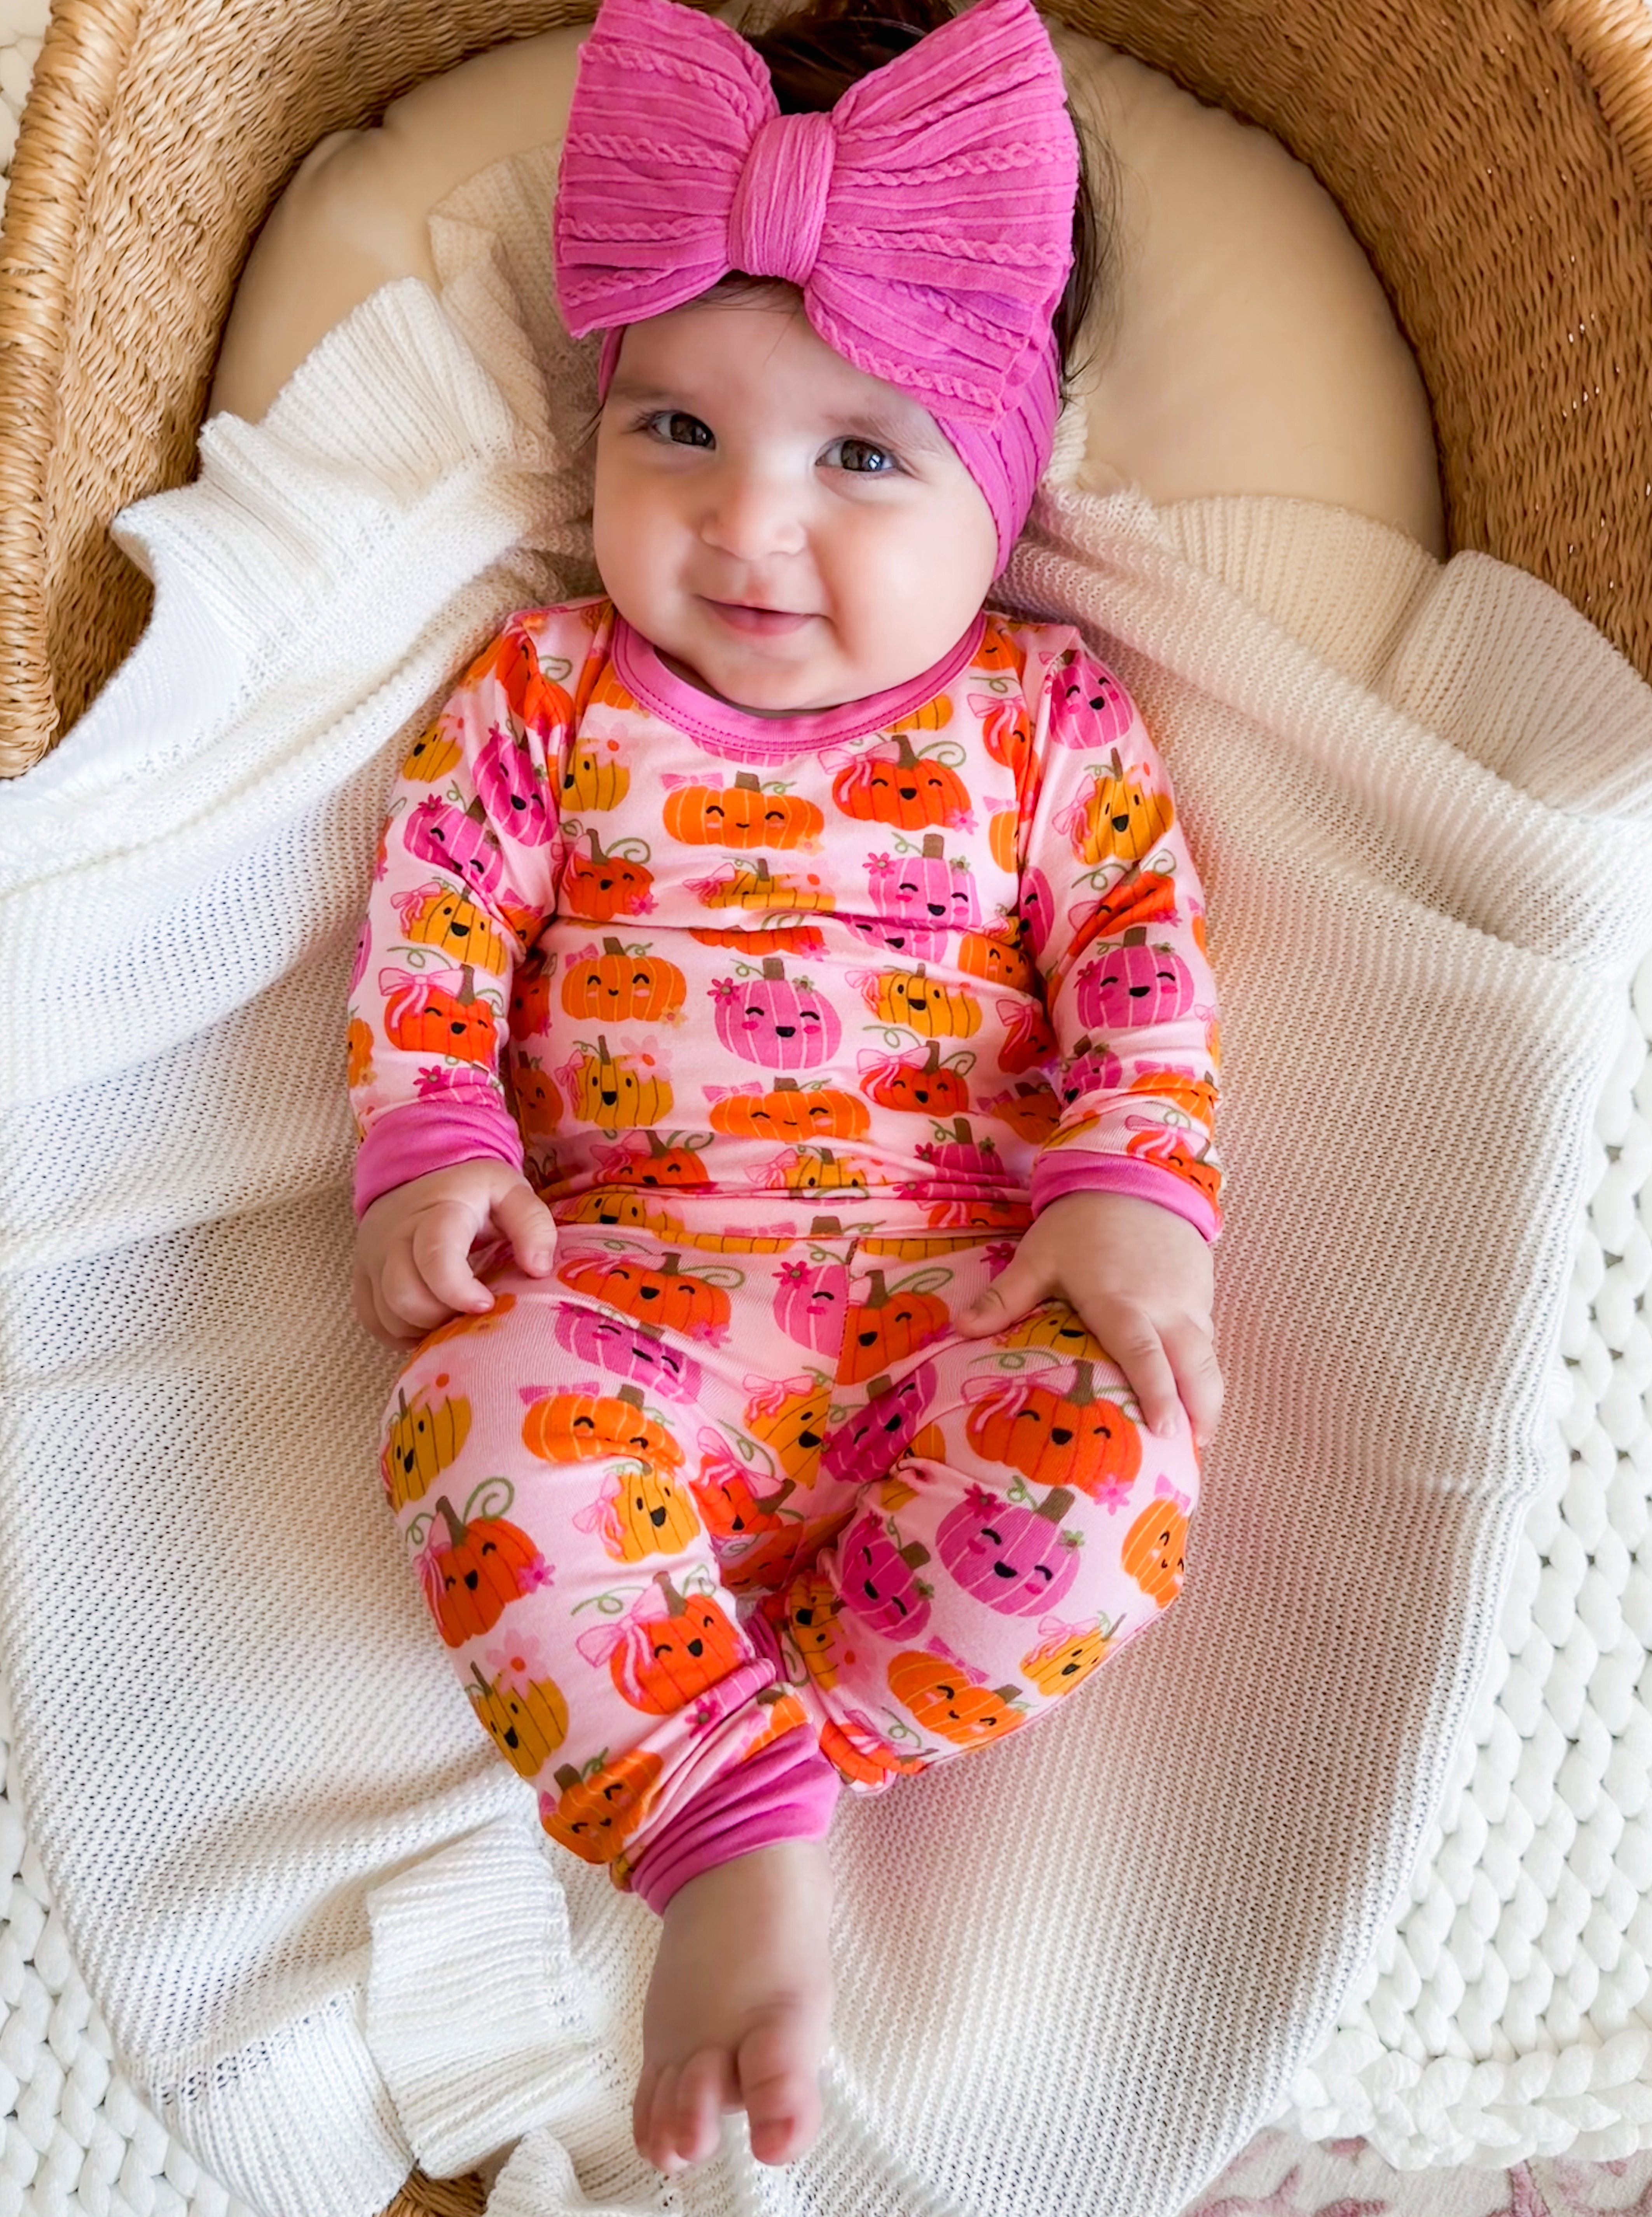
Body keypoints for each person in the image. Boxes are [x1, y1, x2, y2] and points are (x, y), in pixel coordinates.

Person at [348, 0, 1225, 2177]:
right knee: (462, 1416)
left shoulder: (1045, 717)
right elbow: (438, 910)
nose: (746, 525)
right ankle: (738, 1814)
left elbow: (1138, 951)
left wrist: (1130, 1192)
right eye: (675, 426)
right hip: (624, 1321)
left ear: (999, 483)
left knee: (1124, 1479)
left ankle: (738, 1773)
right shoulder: (546, 689)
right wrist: (431, 1140)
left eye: (859, 456)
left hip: (960, 1328)